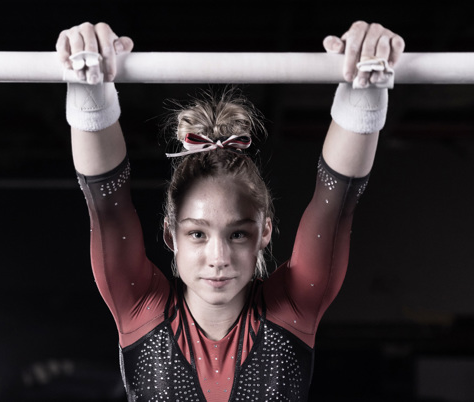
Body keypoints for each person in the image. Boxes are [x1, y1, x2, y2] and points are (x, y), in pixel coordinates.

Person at [55, 20, 404, 401]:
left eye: (237, 233)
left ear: (264, 232)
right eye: (197, 233)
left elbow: (335, 203)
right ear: (171, 234)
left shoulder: (291, 307)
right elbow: (107, 205)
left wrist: (364, 90)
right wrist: (89, 86)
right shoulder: (140, 306)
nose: (218, 258)